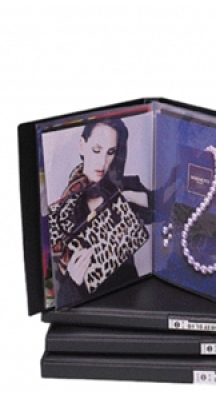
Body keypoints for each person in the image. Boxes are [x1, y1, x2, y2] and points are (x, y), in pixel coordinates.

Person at [48, 118, 152, 309]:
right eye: (97, 150)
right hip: (92, 311)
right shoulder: (59, 214)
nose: (103, 162)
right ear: (82, 145)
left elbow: (164, 212)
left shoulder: (125, 186)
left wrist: (130, 196)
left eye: (110, 152)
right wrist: (73, 282)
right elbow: (57, 301)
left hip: (132, 303)